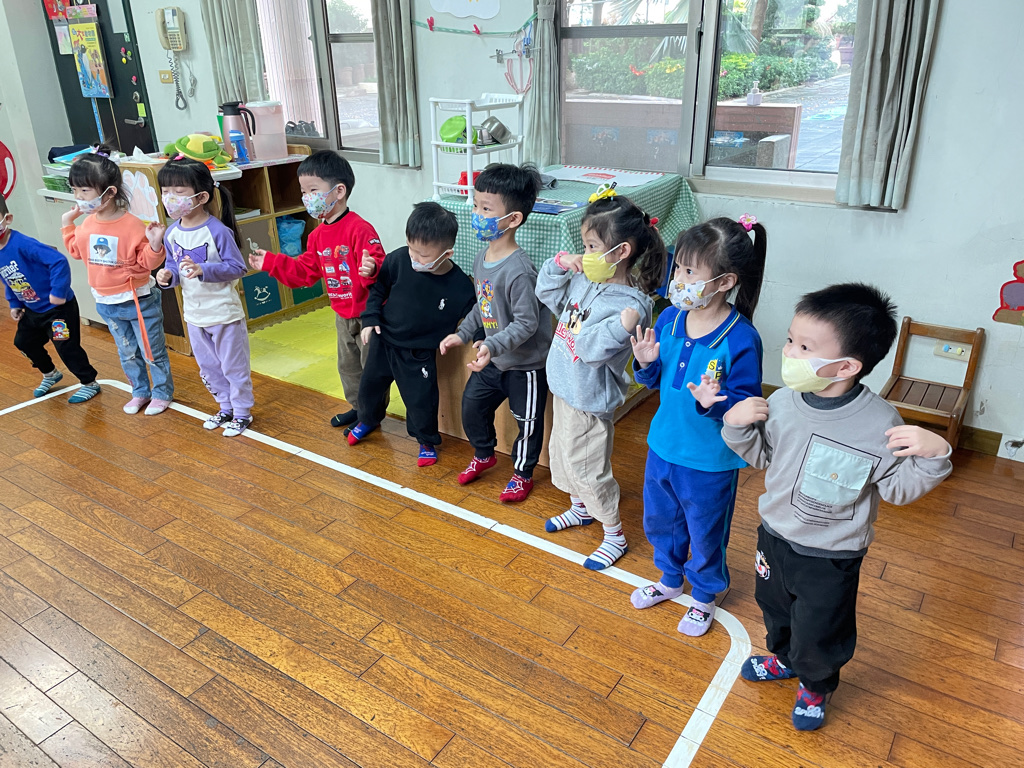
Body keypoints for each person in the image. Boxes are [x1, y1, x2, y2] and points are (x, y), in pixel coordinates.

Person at [722, 283, 953, 731]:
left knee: (821, 627)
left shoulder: (879, 424)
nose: (789, 352)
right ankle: (785, 659)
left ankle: (816, 683)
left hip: (831, 555)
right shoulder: (783, 401)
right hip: (774, 535)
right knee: (775, 608)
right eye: (791, 340)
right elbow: (763, 456)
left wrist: (935, 455)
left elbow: (898, 489)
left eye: (804, 347)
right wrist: (735, 427)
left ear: (847, 366)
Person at [628, 215, 767, 637]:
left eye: (691, 272)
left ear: (725, 282)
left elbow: (746, 404)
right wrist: (645, 365)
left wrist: (714, 403)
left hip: (709, 460)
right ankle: (670, 579)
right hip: (662, 445)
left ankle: (705, 594)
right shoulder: (669, 318)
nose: (679, 279)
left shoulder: (741, 338)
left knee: (706, 532)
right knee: (661, 521)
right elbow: (655, 380)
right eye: (679, 268)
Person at [536, 195, 663, 570]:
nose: (585, 253)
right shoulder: (584, 279)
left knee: (589, 470)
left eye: (592, 246)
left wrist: (621, 327)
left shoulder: (633, 306)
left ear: (621, 251)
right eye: (584, 245)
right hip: (564, 389)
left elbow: (589, 349)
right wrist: (560, 264)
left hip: (589, 400)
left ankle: (614, 534)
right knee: (563, 458)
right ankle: (580, 510)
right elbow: (547, 292)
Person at [439, 164, 552, 502]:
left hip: (525, 366)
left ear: (513, 219)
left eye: (486, 209)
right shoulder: (481, 257)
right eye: (476, 205)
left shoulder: (519, 271)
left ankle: (522, 473)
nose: (476, 214)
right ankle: (484, 453)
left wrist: (492, 344)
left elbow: (527, 323)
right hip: (493, 358)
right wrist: (464, 333)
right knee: (472, 407)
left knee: (527, 422)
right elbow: (482, 304)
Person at [248, 150, 385, 427]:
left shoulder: (360, 229)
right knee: (348, 368)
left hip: (369, 315)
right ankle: (359, 408)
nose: (306, 197)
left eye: (313, 190)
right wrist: (272, 262)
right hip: (342, 315)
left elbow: (379, 265)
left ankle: (371, 416)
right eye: (303, 191)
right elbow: (304, 273)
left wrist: (371, 269)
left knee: (372, 370)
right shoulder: (317, 235)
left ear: (339, 191)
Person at [346, 202, 475, 468]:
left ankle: (426, 440)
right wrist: (370, 319)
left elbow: (477, 315)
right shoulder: (397, 259)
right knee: (369, 387)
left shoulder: (460, 286)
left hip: (419, 353)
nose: (415, 259)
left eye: (423, 256)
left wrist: (476, 336)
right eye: (411, 249)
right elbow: (378, 289)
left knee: (421, 401)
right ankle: (368, 419)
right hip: (384, 341)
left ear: (447, 253)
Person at [62, 145, 174, 415]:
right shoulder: (87, 224)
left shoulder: (132, 224)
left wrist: (155, 244)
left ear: (109, 192)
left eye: (84, 190)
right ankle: (140, 392)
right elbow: (76, 251)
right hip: (106, 302)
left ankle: (162, 393)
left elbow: (148, 263)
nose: (78, 197)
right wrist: (68, 224)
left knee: (152, 350)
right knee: (127, 352)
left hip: (139, 300)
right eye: (74, 190)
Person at [154, 157, 253, 437]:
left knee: (233, 366)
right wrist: (167, 276)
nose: (170, 198)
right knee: (209, 368)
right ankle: (225, 407)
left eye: (178, 191)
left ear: (202, 197)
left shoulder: (217, 231)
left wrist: (203, 270)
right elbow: (174, 267)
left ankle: (242, 412)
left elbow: (237, 268)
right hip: (195, 315)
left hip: (224, 314)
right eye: (165, 191)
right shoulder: (172, 233)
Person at [0, 194, 100, 402]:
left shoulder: (23, 244)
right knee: (23, 342)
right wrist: (14, 303)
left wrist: (58, 292)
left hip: (58, 310)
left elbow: (58, 261)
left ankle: (89, 382)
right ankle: (50, 373)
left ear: (7, 219)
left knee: (66, 346)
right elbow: (8, 279)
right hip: (32, 310)